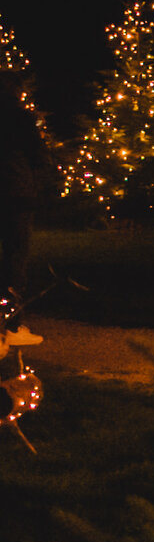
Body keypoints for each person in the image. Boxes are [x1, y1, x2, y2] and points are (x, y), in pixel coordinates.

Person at [1, 73, 56, 342]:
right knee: (16, 255)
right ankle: (12, 325)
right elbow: (37, 156)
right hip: (15, 193)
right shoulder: (20, 118)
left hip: (13, 190)